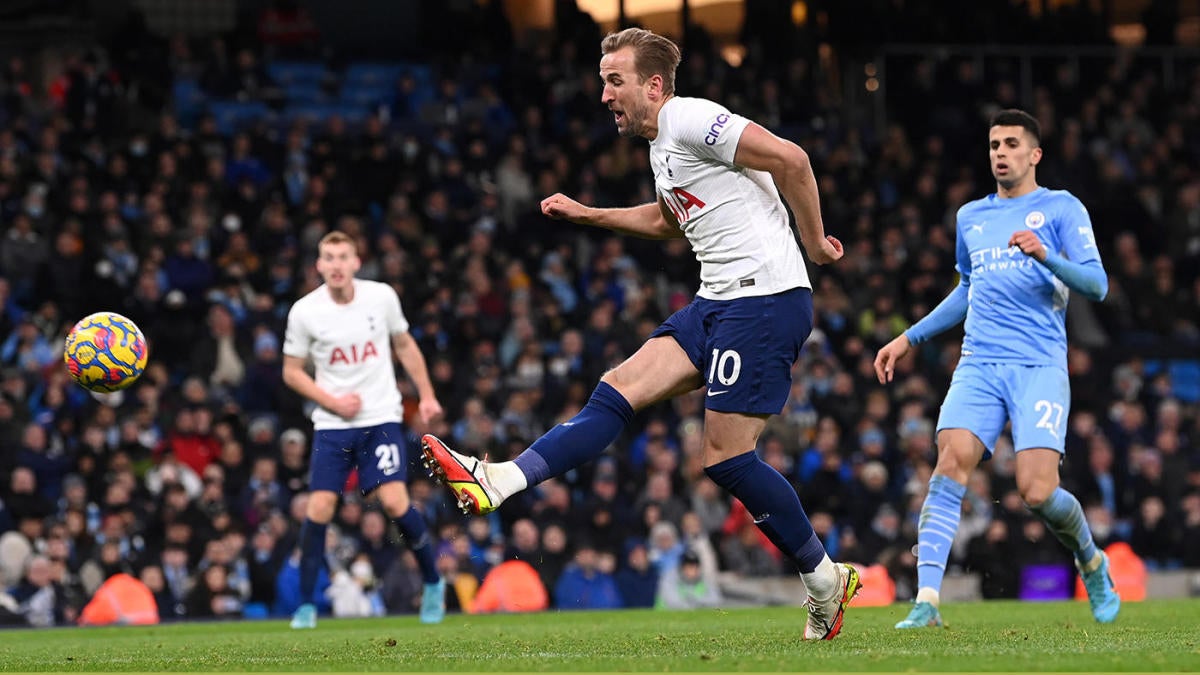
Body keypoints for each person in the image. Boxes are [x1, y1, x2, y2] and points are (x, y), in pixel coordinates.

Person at [423, 27, 859, 640]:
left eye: (614, 81)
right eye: (604, 81)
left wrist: (814, 242)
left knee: (726, 458)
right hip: (716, 300)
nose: (604, 95)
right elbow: (666, 218)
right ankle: (499, 479)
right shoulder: (661, 144)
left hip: (764, 299)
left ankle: (822, 579)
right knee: (618, 387)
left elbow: (793, 159)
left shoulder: (688, 118)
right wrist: (589, 212)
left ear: (653, 85)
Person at [873, 109, 1120, 629]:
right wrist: (908, 337)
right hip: (979, 362)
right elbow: (968, 288)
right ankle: (927, 602)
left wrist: (1047, 255)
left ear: (1034, 155)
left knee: (1036, 491)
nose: (1000, 153)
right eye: (993, 145)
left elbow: (1097, 285)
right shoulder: (971, 217)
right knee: (950, 461)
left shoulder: (1061, 208)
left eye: (1011, 144)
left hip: (1038, 365)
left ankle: (1091, 561)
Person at [282, 230, 446, 628]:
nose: (336, 265)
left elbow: (405, 345)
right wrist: (333, 402)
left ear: (357, 262)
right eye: (328, 258)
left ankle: (432, 582)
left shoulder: (381, 297)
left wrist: (425, 394)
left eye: (343, 257)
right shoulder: (305, 311)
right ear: (319, 266)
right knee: (319, 507)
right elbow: (291, 372)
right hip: (333, 423)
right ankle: (305, 605)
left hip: (380, 417)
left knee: (394, 502)